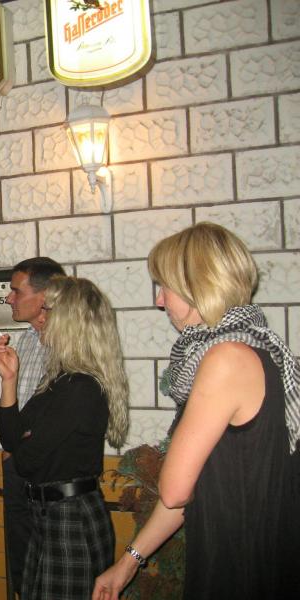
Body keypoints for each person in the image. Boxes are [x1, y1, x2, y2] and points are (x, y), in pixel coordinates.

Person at [92, 222, 300, 600]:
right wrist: (127, 563)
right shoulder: (258, 350)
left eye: (164, 287)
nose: (160, 301)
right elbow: (188, 494)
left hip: (241, 567)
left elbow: (173, 491)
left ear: (197, 286)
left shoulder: (226, 359)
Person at [0, 276, 129, 599]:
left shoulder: (81, 386)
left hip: (71, 518)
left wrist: (24, 444)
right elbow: (11, 441)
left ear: (69, 321)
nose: (43, 318)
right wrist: (9, 381)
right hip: (49, 513)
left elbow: (24, 461)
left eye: (49, 310)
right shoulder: (59, 380)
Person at [1, 257, 65, 595]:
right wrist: (10, 451)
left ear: (45, 296)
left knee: (54, 568)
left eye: (16, 291)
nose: (9, 298)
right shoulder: (25, 339)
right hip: (17, 463)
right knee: (22, 561)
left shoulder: (70, 345)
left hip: (51, 471)